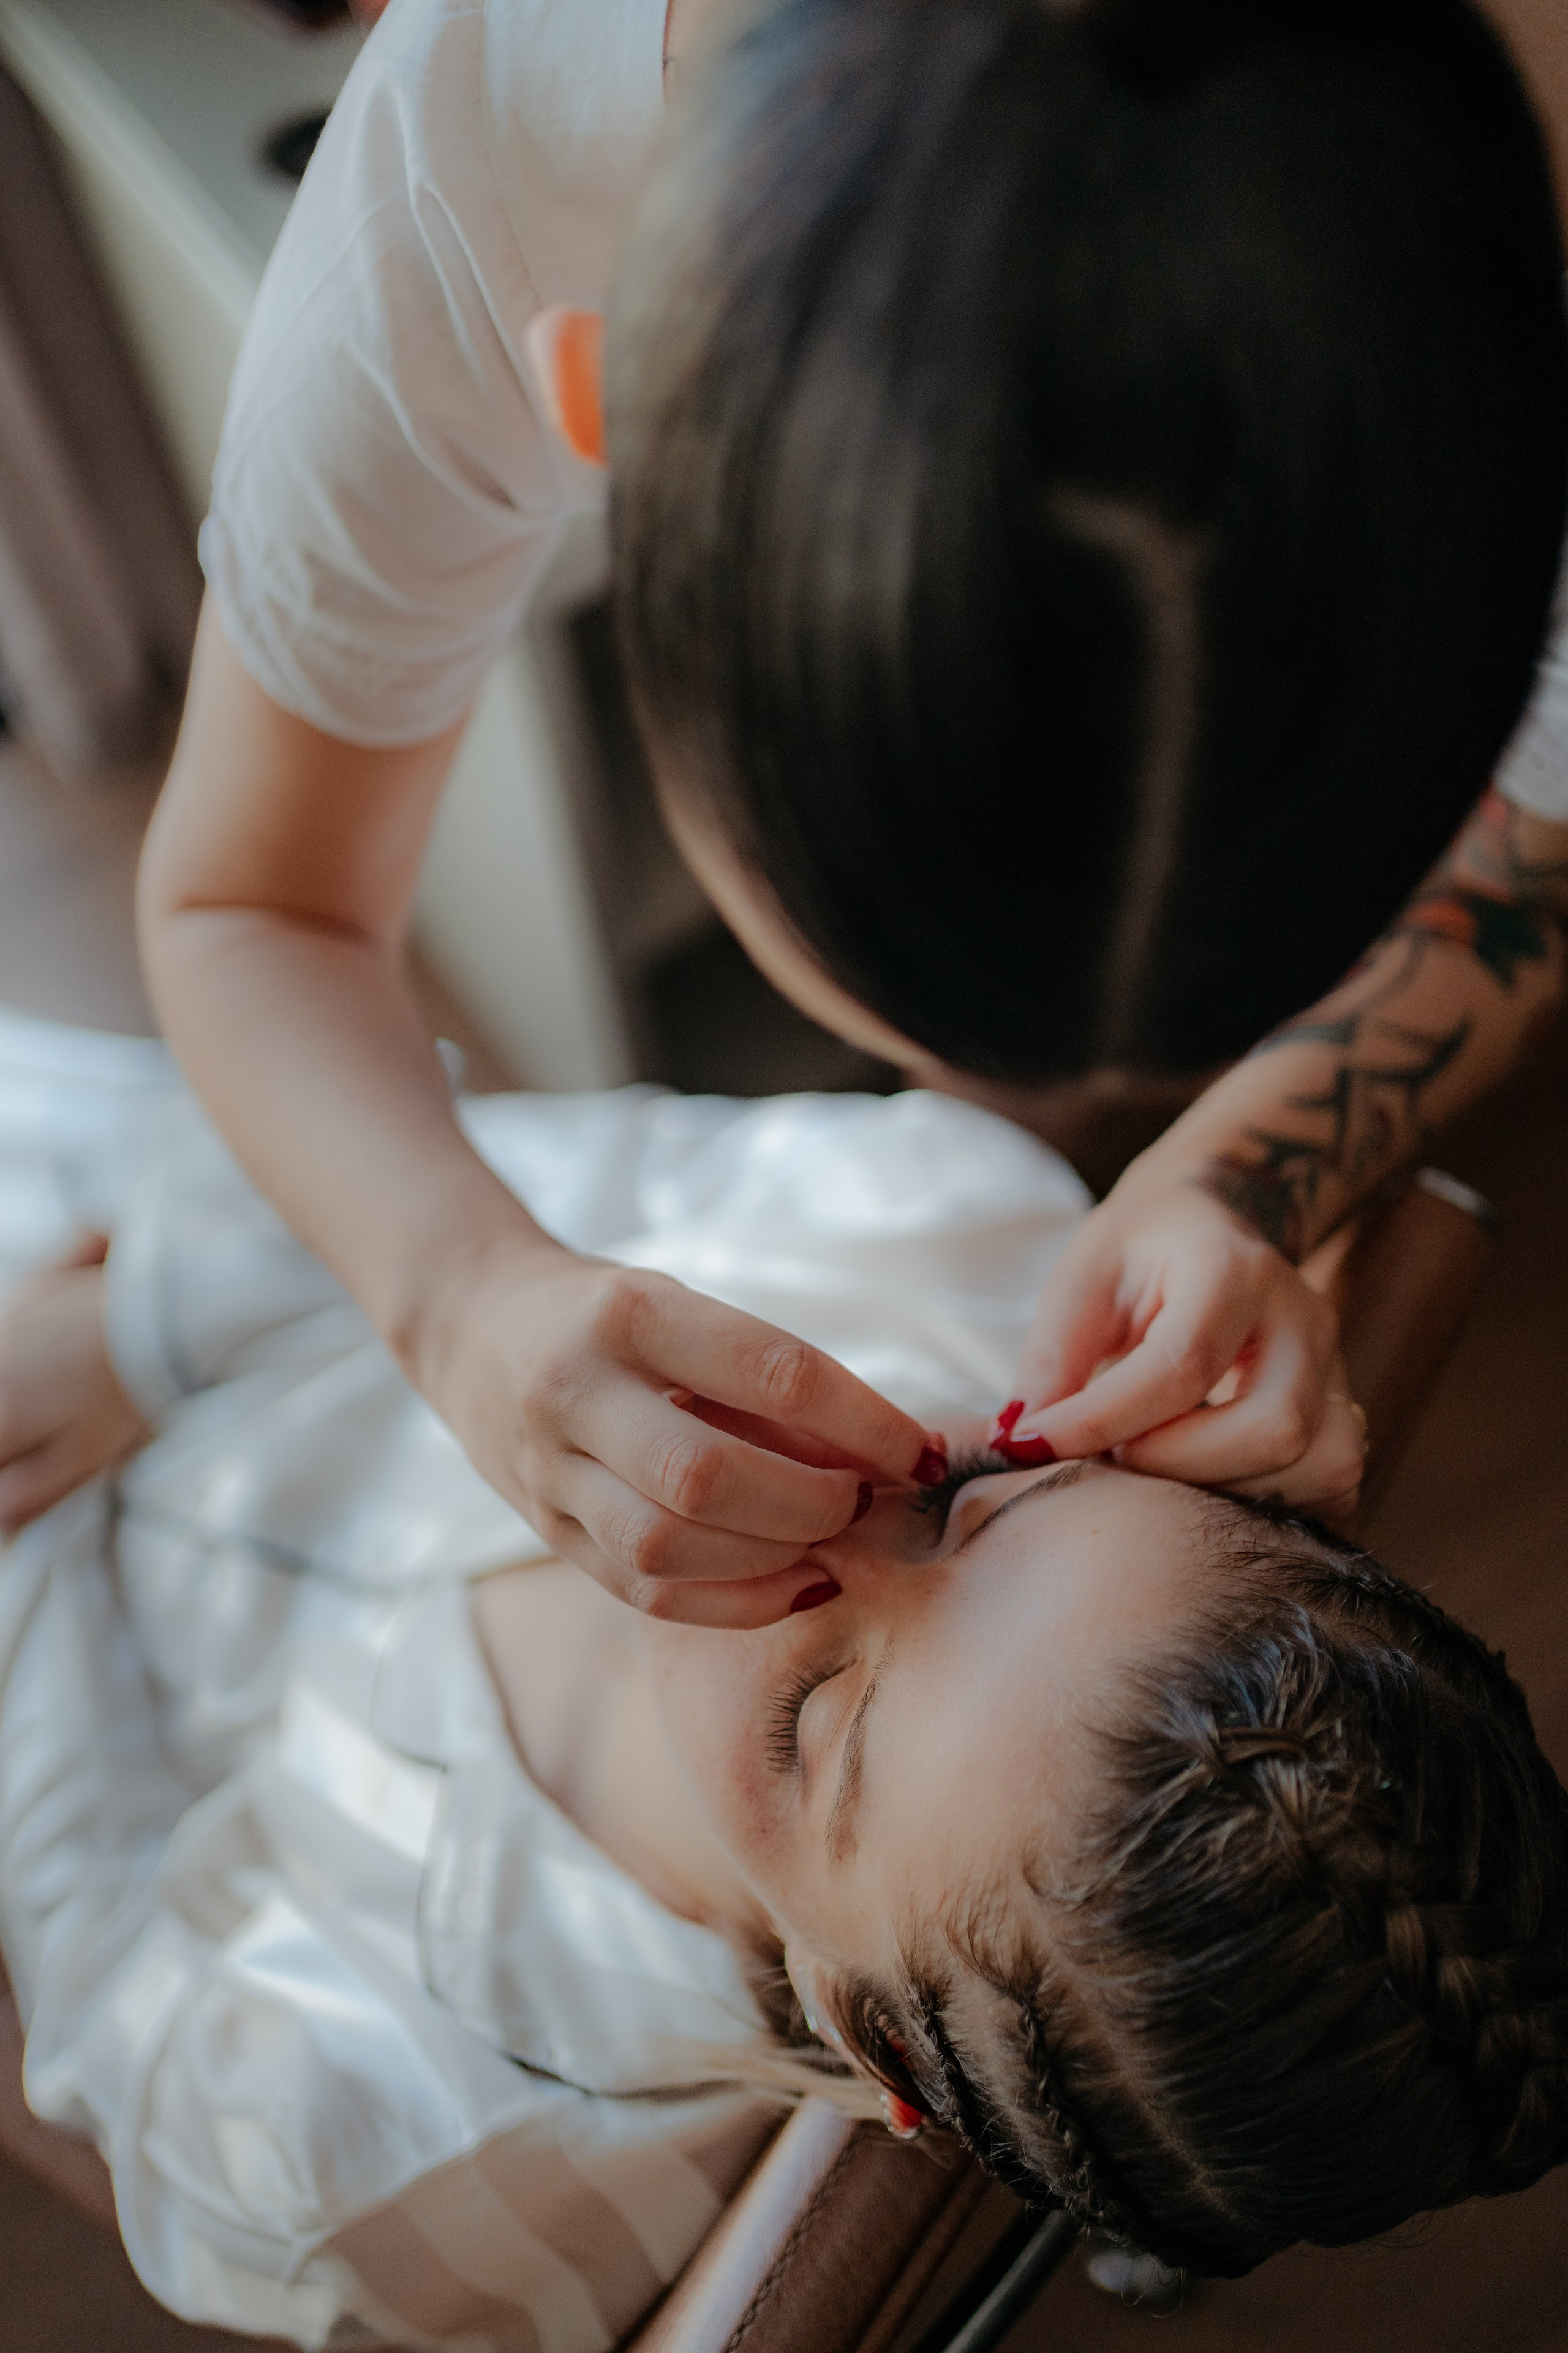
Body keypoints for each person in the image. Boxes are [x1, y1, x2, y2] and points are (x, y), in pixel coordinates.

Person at [126, 0, 1568, 1628]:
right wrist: (456, 1296)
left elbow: (1534, 846)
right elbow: (254, 907)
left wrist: (1236, 1172)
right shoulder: (464, 175)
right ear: (597, 407)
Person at [0, 1007, 1563, 2347]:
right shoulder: (936, 1238)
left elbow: (81, 1930)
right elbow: (465, 1148)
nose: (838, 1520)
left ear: (864, 2034)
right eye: (971, 1502)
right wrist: (146, 1325)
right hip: (155, 1201)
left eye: (814, 1715)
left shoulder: (389, 2145)